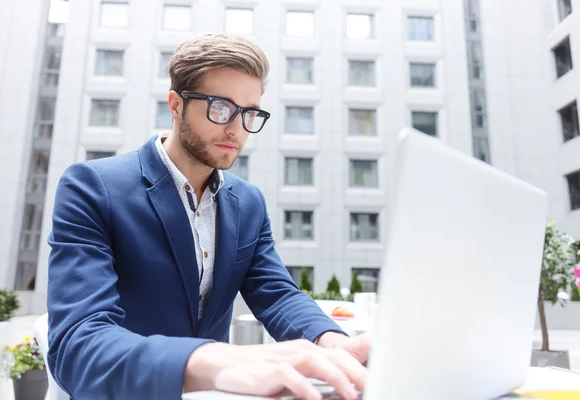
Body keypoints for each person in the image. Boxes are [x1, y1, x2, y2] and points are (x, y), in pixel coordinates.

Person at [47, 33, 371, 400]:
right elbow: (77, 344)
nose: (236, 128)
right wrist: (217, 361)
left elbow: (277, 296)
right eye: (221, 107)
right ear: (176, 105)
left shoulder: (248, 202)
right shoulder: (93, 187)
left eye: (249, 113)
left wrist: (332, 343)